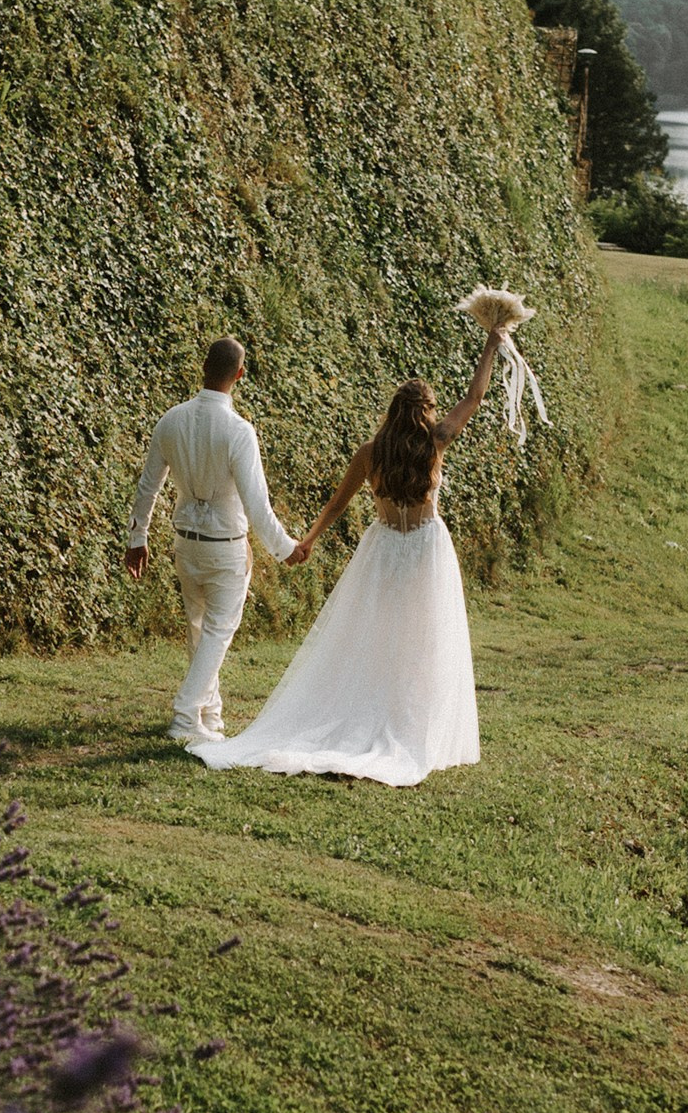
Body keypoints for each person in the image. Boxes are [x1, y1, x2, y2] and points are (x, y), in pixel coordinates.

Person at [189, 325, 506, 787]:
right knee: (424, 639)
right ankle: (410, 722)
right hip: (425, 550)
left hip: (381, 550)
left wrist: (309, 540)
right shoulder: (436, 442)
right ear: (426, 413)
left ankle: (373, 709)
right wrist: (491, 346)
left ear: (393, 411)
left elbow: (337, 505)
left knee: (376, 635)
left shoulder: (370, 453)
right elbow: (475, 397)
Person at [125, 336, 297, 746]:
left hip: (185, 542)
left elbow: (148, 487)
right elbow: (258, 506)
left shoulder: (171, 419)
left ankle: (210, 714)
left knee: (199, 628)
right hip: (224, 545)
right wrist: (287, 548)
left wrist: (138, 537)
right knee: (217, 630)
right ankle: (186, 714)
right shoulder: (239, 432)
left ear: (203, 367)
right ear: (240, 374)